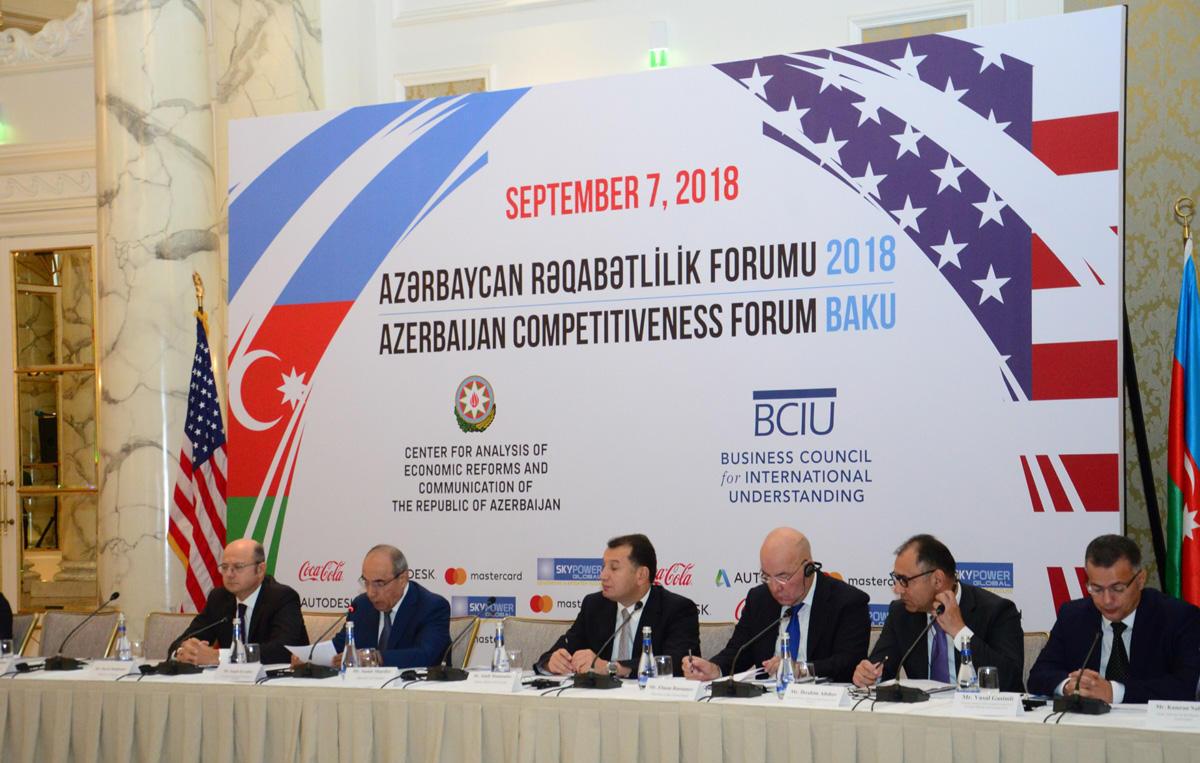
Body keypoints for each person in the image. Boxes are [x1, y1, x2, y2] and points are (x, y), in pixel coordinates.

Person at [1027, 534, 1200, 703]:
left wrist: (1114, 692)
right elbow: (1038, 675)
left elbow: (1186, 686)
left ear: (1140, 580)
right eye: (1097, 589)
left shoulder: (1177, 617)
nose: (1107, 600)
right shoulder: (1072, 615)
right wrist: (1068, 686)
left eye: (1117, 588)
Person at [683, 527, 869, 683]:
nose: (774, 587)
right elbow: (738, 652)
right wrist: (715, 669)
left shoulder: (847, 602)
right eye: (766, 576)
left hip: (822, 703)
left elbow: (848, 663)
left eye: (782, 577)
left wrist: (800, 669)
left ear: (808, 568)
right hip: (767, 703)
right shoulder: (759, 599)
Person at [852, 534, 1024, 692]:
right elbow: (881, 665)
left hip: (979, 711)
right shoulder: (901, 613)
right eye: (896, 579)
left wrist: (959, 631)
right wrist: (869, 675)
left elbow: (1010, 681)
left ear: (937, 580)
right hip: (923, 712)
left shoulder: (997, 611)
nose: (897, 589)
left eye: (904, 580)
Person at [537, 534, 700, 677]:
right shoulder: (594, 606)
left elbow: (678, 664)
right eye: (603, 567)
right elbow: (556, 652)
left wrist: (611, 668)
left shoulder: (677, 609)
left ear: (641, 575)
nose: (603, 575)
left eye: (614, 568)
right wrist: (552, 662)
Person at [176, 538, 308, 664]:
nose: (229, 574)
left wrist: (220, 656)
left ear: (260, 570)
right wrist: (185, 652)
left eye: (238, 567)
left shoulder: (282, 597)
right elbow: (181, 642)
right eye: (225, 567)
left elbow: (283, 650)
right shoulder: (219, 598)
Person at [330, 544, 450, 669]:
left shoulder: (432, 607)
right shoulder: (361, 605)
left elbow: (426, 656)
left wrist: (374, 658)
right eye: (366, 582)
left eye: (379, 583)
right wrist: (316, 655)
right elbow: (339, 648)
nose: (370, 593)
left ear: (402, 579)